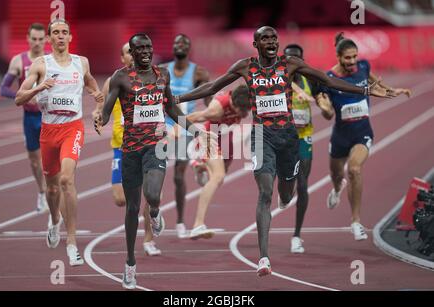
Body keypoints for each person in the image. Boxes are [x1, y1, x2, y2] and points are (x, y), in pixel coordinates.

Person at [175, 26, 393, 277]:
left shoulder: (289, 64)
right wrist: (177, 100)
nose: (270, 41)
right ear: (256, 44)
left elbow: (327, 79)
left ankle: (286, 194)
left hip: (288, 137)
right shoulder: (245, 66)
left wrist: (364, 90)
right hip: (262, 136)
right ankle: (264, 258)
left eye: (273, 38)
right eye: (264, 38)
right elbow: (213, 86)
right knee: (264, 192)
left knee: (287, 191)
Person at [97, 33, 212, 289]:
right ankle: (129, 263)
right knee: (131, 208)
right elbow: (106, 111)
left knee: (154, 196)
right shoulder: (121, 77)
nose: (146, 51)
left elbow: (171, 107)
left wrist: (195, 131)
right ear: (133, 52)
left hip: (156, 146)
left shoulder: (162, 75)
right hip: (130, 150)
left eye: (149, 47)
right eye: (140, 48)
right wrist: (100, 120)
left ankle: (157, 213)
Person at [15, 19, 104, 266]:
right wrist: (39, 87)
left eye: (65, 32)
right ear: (49, 39)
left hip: (72, 129)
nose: (61, 36)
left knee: (67, 179)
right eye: (56, 33)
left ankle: (72, 241)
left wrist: (97, 104)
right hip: (48, 131)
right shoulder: (41, 65)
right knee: (52, 189)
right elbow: (19, 98)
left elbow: (92, 83)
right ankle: (55, 220)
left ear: (70, 37)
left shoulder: (80, 62)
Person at [314, 32, 411, 241]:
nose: (352, 61)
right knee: (337, 176)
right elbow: (326, 110)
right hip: (340, 135)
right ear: (338, 57)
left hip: (362, 133)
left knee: (355, 169)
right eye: (347, 58)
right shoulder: (329, 79)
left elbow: (377, 84)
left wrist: (394, 91)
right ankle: (337, 189)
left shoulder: (364, 67)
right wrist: (325, 108)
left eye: (354, 56)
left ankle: (356, 221)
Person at [102, 42, 161, 256]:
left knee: (148, 192)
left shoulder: (152, 78)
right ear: (123, 58)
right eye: (128, 52)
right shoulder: (114, 80)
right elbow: (102, 108)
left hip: (148, 143)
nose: (132, 54)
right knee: (121, 198)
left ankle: (148, 239)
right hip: (122, 145)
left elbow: (161, 106)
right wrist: (97, 116)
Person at [282, 44, 333, 253]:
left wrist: (325, 108)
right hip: (281, 139)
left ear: (302, 63)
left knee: (302, 185)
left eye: (297, 60)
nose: (292, 64)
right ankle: (284, 191)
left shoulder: (310, 81)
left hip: (303, 138)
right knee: (287, 186)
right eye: (288, 60)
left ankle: (296, 235)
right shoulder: (276, 82)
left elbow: (328, 113)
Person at [160, 34, 211, 238]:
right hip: (163, 125)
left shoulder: (198, 72)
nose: (179, 45)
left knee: (178, 174)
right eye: (176, 42)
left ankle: (180, 221)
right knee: (154, 170)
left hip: (184, 125)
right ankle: (155, 211)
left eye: (184, 43)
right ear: (172, 47)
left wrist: (217, 113)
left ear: (189, 49)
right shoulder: (163, 70)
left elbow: (209, 101)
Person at [186, 84, 251, 239]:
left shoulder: (244, 100)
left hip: (223, 136)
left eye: (247, 111)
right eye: (242, 111)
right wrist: (175, 130)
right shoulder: (217, 110)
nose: (244, 114)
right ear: (233, 104)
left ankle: (199, 166)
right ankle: (197, 225)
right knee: (218, 176)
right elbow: (190, 118)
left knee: (221, 176)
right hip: (208, 136)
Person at [0, 23, 48, 212]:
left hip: (49, 116)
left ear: (46, 40)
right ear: (28, 39)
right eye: (33, 39)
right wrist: (23, 96)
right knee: (35, 160)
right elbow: (4, 88)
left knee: (54, 158)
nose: (37, 43)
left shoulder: (50, 60)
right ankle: (42, 192)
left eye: (40, 39)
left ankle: (55, 191)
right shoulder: (18, 61)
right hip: (30, 117)